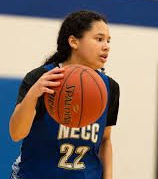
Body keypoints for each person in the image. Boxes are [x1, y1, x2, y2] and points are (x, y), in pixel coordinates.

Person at [9, 10, 120, 179]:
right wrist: (33, 95)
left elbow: (105, 140)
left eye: (108, 41)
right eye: (99, 39)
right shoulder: (41, 78)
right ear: (74, 42)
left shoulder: (109, 87)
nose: (106, 46)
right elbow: (16, 133)